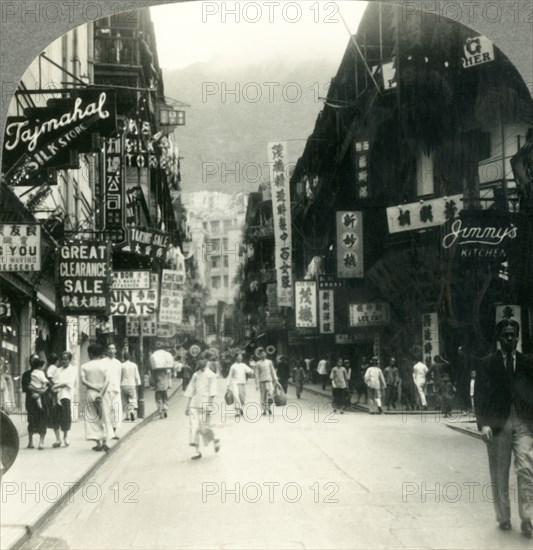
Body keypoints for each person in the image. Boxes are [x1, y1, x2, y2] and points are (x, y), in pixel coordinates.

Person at [473, 319, 533, 538]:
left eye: (513, 335)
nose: (510, 338)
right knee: (499, 473)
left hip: (523, 423)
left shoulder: (528, 363)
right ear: (499, 338)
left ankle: (527, 518)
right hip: (497, 423)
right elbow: (479, 395)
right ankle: (504, 517)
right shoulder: (487, 363)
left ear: (518, 337)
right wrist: (484, 424)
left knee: (526, 467)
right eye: (506, 335)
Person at [184, 359, 220, 460]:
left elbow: (212, 392)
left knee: (204, 428)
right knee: (194, 427)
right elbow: (191, 389)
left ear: (206, 363)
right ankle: (197, 451)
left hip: (205, 404)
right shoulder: (195, 375)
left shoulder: (211, 375)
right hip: (194, 404)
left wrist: (210, 405)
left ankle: (215, 438)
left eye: (202, 363)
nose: (200, 365)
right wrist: (187, 405)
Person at [81, 343, 111, 452]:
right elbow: (107, 381)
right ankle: (105, 442)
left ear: (90, 353)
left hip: (90, 392)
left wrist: (94, 388)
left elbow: (83, 381)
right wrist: (101, 392)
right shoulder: (105, 365)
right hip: (103, 393)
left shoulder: (84, 366)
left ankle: (98, 443)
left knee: (92, 417)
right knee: (104, 416)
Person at [21, 355, 50, 450]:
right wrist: (39, 391)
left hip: (43, 399)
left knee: (43, 420)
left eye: (36, 359)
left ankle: (41, 442)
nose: (35, 361)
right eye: (33, 359)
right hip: (31, 400)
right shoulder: (26, 374)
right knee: (31, 420)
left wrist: (42, 391)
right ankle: (30, 441)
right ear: (30, 361)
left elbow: (48, 386)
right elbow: (25, 387)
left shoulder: (43, 373)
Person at [51, 351, 77, 447]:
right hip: (56, 395)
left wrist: (57, 385)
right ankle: (58, 439)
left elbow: (68, 383)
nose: (64, 361)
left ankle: (65, 437)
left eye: (66, 359)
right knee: (55, 418)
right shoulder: (58, 370)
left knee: (65, 418)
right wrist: (55, 386)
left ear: (70, 360)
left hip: (65, 396)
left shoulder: (72, 370)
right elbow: (54, 381)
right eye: (62, 359)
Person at [150, 345, 174, 419]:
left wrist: (153, 385)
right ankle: (165, 409)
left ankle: (160, 413)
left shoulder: (155, 371)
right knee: (165, 398)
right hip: (165, 386)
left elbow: (153, 379)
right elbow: (169, 376)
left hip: (158, 386)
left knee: (158, 399)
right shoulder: (166, 370)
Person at [105, 344, 123, 439]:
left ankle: (114, 432)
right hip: (106, 390)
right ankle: (108, 432)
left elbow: (119, 377)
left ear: (115, 350)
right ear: (106, 350)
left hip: (116, 389)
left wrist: (118, 387)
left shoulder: (118, 363)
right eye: (109, 348)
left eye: (113, 348)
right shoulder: (103, 362)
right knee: (107, 411)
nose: (111, 350)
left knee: (117, 411)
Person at [254, 348, 279, 416]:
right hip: (262, 381)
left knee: (270, 394)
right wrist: (257, 384)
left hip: (269, 380)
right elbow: (256, 374)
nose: (263, 355)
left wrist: (276, 380)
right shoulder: (258, 364)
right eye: (262, 354)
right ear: (259, 355)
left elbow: (273, 371)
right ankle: (264, 409)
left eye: (264, 353)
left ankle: (269, 407)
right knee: (263, 396)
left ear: (266, 354)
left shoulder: (269, 362)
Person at [120, 351, 141, 422]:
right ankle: (132, 411)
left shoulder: (121, 365)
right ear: (130, 357)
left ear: (123, 357)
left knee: (125, 401)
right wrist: (138, 383)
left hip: (123, 385)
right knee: (132, 399)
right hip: (132, 384)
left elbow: (120, 376)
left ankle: (127, 416)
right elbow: (136, 375)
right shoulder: (134, 365)